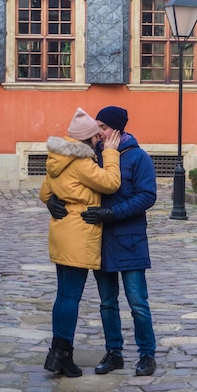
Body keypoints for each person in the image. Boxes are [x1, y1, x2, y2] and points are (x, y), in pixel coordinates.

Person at [48, 106, 157, 376]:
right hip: (100, 241)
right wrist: (53, 200)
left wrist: (112, 213)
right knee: (107, 302)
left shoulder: (138, 157)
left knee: (138, 302)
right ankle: (114, 353)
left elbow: (147, 196)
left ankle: (147, 354)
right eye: (97, 126)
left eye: (104, 127)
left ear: (118, 131)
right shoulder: (90, 157)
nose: (99, 131)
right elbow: (69, 183)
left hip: (129, 239)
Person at [39, 107, 121, 378]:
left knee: (63, 295)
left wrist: (55, 200)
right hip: (78, 232)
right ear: (87, 139)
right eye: (96, 136)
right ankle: (60, 355)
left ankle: (58, 354)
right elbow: (110, 183)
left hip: (61, 230)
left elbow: (44, 193)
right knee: (71, 296)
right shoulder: (82, 161)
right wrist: (110, 154)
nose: (99, 138)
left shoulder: (57, 157)